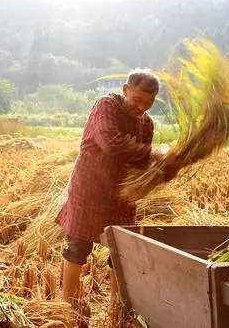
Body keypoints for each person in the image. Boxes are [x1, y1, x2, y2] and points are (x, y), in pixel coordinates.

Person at [56, 68, 182, 306]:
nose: (142, 107)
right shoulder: (106, 106)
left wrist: (165, 168)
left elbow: (141, 161)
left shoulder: (146, 124)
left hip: (122, 195)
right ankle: (67, 306)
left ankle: (118, 305)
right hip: (90, 190)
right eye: (137, 100)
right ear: (125, 90)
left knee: (121, 253)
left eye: (149, 102)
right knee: (78, 247)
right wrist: (157, 155)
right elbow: (111, 143)